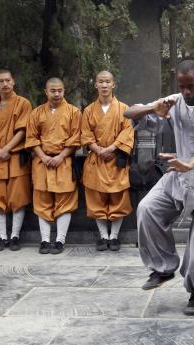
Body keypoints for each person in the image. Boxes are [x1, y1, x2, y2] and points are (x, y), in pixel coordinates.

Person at [124, 60, 194, 316]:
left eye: (191, 87)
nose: (186, 92)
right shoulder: (175, 101)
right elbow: (128, 113)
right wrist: (154, 108)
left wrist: (190, 163)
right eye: (181, 87)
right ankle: (163, 267)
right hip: (180, 175)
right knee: (147, 209)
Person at [25, 78, 81, 255]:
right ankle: (45, 240)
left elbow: (76, 137)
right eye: (53, 91)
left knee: (65, 201)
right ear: (46, 92)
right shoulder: (36, 113)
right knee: (42, 201)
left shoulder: (74, 112)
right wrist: (42, 155)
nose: (56, 94)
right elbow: (31, 138)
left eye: (60, 91)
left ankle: (59, 240)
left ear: (64, 91)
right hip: (42, 162)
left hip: (64, 162)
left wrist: (61, 155)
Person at [81, 71, 134, 251]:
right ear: (95, 84)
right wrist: (99, 150)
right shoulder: (88, 110)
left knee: (118, 198)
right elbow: (85, 135)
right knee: (96, 200)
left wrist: (111, 149)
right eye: (101, 82)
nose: (104, 85)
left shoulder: (124, 109)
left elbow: (127, 132)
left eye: (107, 82)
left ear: (113, 85)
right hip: (96, 160)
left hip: (115, 159)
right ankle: (103, 236)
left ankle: (114, 236)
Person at [0, 69, 33, 251]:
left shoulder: (23, 103)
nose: (5, 84)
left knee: (17, 198)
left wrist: (6, 149)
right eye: (1, 81)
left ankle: (15, 236)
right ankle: (2, 237)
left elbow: (23, 130)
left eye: (8, 80)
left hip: (15, 156)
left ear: (14, 81)